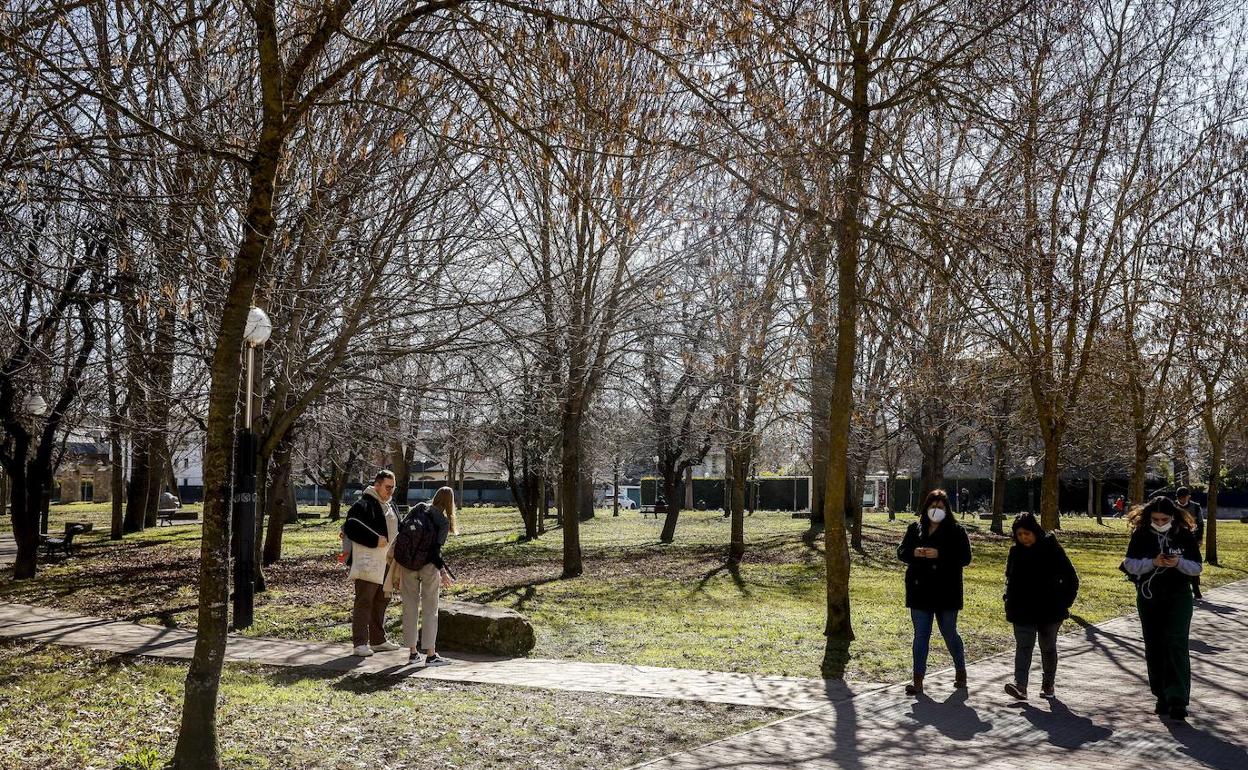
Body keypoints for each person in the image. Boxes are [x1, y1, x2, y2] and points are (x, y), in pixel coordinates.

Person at [1120, 496, 1202, 720]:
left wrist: (1178, 563)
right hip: (1149, 596)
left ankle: (1178, 698)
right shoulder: (1142, 534)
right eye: (1155, 519)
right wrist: (1152, 563)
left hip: (1178, 596)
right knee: (1154, 645)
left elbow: (1197, 567)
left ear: (1173, 516)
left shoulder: (1183, 534)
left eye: (1164, 518)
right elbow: (1128, 564)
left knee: (1175, 643)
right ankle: (1161, 695)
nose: (1159, 522)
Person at [897, 489, 973, 695]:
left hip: (946, 592)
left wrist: (940, 554)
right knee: (921, 635)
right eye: (932, 507)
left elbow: (965, 557)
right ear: (926, 508)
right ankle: (918, 680)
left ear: (947, 509)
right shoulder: (915, 528)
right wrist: (914, 552)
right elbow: (901, 552)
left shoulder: (957, 531)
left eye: (940, 507)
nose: (936, 511)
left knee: (949, 632)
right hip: (920, 591)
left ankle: (960, 670)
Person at [1002, 513, 1079, 700]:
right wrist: (1009, 602)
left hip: (1050, 610)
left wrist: (1063, 602)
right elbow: (1010, 581)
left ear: (1035, 531)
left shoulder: (1051, 548)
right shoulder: (1015, 553)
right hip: (1022, 610)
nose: (1023, 538)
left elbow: (1071, 579)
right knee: (1023, 647)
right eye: (1019, 535)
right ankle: (1020, 685)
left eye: (1026, 534)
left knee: (1048, 647)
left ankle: (1048, 683)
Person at [394, 485, 458, 666]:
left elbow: (401, 530)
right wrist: (443, 572)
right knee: (430, 609)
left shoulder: (419, 507)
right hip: (428, 567)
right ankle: (431, 654)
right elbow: (434, 553)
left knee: (409, 607)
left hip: (407, 564)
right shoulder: (443, 522)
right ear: (450, 503)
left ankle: (413, 653)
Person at [343, 470, 401, 657]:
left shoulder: (391, 505)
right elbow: (351, 526)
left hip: (387, 562)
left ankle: (378, 640)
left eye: (393, 487)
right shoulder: (363, 504)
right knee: (364, 601)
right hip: (368, 563)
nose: (390, 491)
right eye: (387, 487)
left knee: (382, 600)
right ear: (376, 485)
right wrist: (375, 539)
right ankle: (360, 643)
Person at [1175, 486, 1205, 600]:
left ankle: (1196, 588)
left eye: (1184, 497)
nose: (1182, 499)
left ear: (1189, 497)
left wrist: (1199, 539)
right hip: (1177, 539)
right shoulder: (1173, 506)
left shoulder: (1195, 507)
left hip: (1192, 539)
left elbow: (1201, 524)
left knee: (1194, 561)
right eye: (1180, 497)